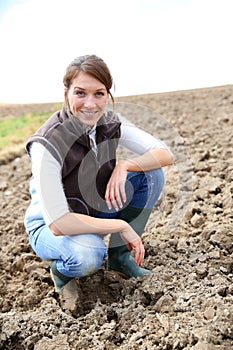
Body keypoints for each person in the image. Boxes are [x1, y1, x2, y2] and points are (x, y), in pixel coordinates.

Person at [24, 54, 174, 293]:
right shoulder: (47, 144)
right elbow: (58, 224)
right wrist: (121, 226)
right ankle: (62, 271)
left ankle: (120, 257)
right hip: (51, 226)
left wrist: (124, 165)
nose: (90, 104)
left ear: (107, 95)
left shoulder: (108, 123)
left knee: (151, 174)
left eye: (99, 93)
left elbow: (165, 154)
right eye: (80, 93)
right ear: (66, 94)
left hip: (91, 209)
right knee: (89, 254)